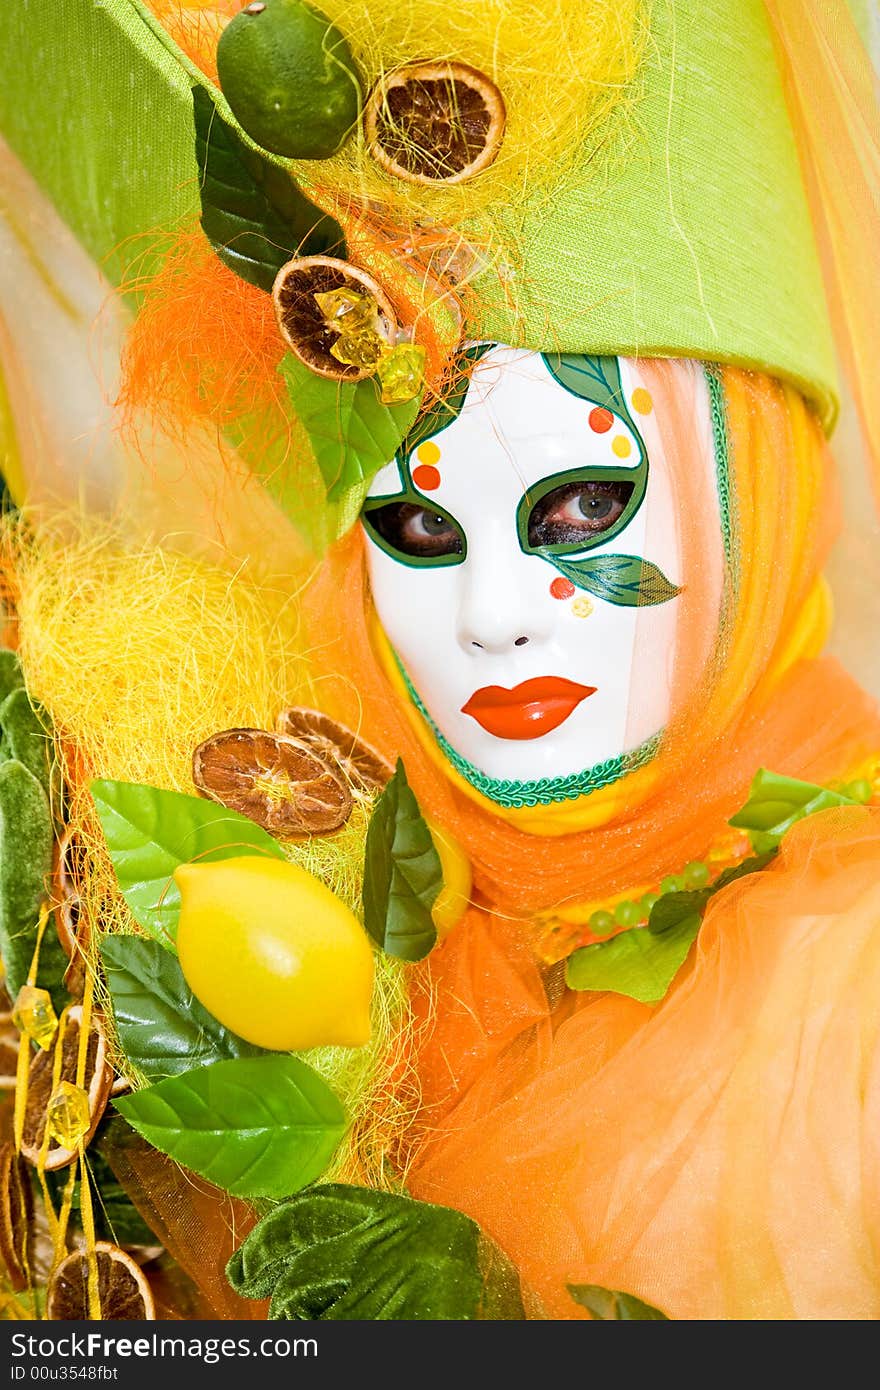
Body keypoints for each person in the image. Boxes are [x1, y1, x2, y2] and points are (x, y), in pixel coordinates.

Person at [1, 0, 880, 1321]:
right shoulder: (319, 902)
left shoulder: (849, 1006)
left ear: (766, 474)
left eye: (583, 504)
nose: (493, 613)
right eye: (416, 523)